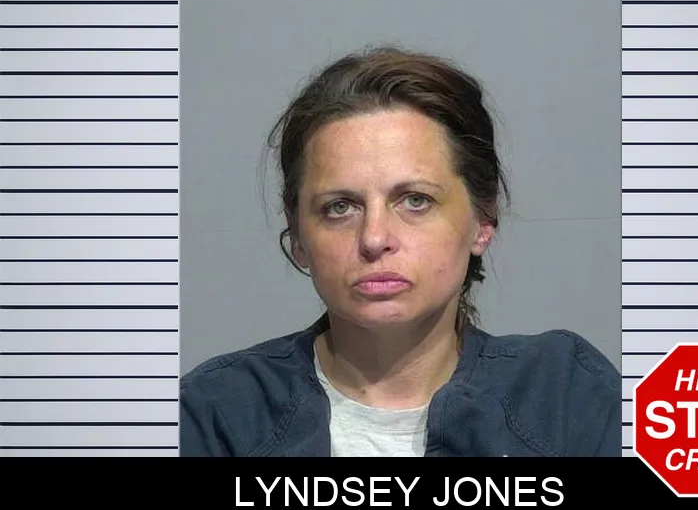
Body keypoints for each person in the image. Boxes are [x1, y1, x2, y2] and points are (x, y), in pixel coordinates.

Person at [179, 45, 621, 457]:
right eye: (340, 207)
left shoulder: (567, 394)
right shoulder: (216, 413)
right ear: (297, 234)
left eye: (415, 200)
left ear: (483, 220)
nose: (374, 238)